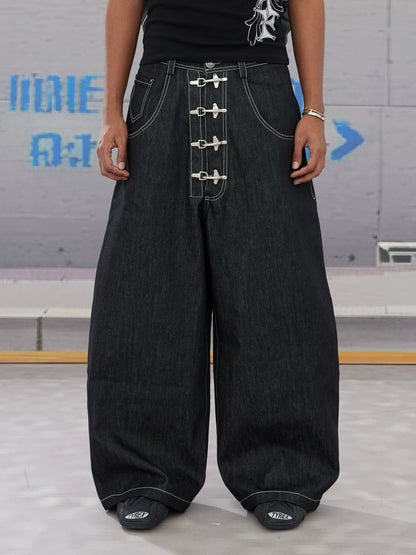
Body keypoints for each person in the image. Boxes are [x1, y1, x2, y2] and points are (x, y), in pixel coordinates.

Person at [87, 0, 340, 532]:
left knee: (275, 289)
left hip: (263, 93)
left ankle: (281, 471)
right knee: (147, 289)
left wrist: (313, 110)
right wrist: (112, 109)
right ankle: (144, 473)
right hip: (161, 91)